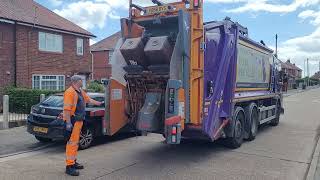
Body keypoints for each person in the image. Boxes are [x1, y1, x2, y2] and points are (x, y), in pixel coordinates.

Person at [63, 75, 103, 176]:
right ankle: (69, 166)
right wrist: (68, 123)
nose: (82, 81)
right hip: (72, 121)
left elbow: (88, 99)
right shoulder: (70, 92)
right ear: (76, 81)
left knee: (76, 143)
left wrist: (99, 103)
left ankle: (73, 161)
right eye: (81, 80)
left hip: (79, 121)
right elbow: (67, 109)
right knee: (71, 143)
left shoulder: (80, 91)